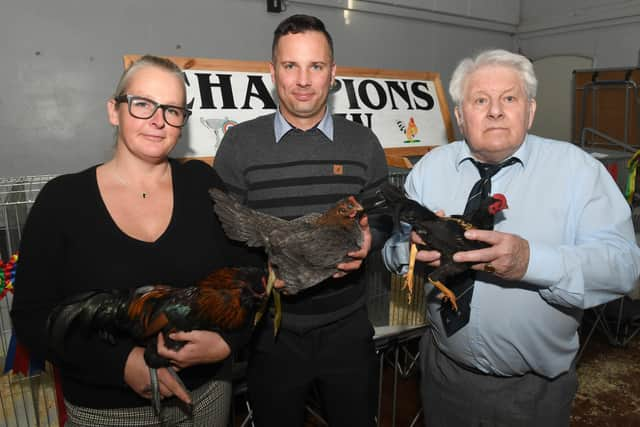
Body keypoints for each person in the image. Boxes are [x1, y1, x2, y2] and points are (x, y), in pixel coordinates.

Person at [382, 49, 640, 426]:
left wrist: (532, 262)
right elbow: (392, 250)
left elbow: (623, 266)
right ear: (459, 115)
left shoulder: (578, 172)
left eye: (509, 98)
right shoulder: (429, 169)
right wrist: (407, 253)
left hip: (534, 392)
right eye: (480, 100)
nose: (495, 111)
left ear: (530, 110)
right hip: (443, 376)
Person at [11, 55, 252, 426]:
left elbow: (249, 273)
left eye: (172, 109)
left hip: (206, 398)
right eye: (143, 104)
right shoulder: (62, 201)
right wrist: (121, 363)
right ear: (114, 110)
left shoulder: (202, 185)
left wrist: (227, 343)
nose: (158, 120)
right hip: (107, 412)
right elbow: (31, 315)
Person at [213, 14, 388, 427]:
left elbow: (382, 214)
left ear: (333, 73)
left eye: (316, 66)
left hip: (347, 328)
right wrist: (261, 275)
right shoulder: (239, 144)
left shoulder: (362, 142)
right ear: (273, 73)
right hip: (272, 334)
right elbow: (222, 235)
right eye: (291, 66)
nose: (304, 80)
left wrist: (371, 241)